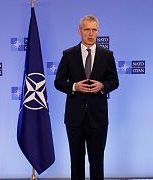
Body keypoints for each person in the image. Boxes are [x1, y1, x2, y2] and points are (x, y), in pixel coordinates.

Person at [54, 15, 119, 180]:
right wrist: (75, 86)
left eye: (94, 29)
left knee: (97, 162)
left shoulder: (107, 55)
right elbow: (58, 82)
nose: (91, 33)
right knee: (76, 162)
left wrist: (103, 86)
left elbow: (114, 81)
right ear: (79, 31)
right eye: (87, 29)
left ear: (98, 31)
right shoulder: (68, 55)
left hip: (98, 118)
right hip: (74, 118)